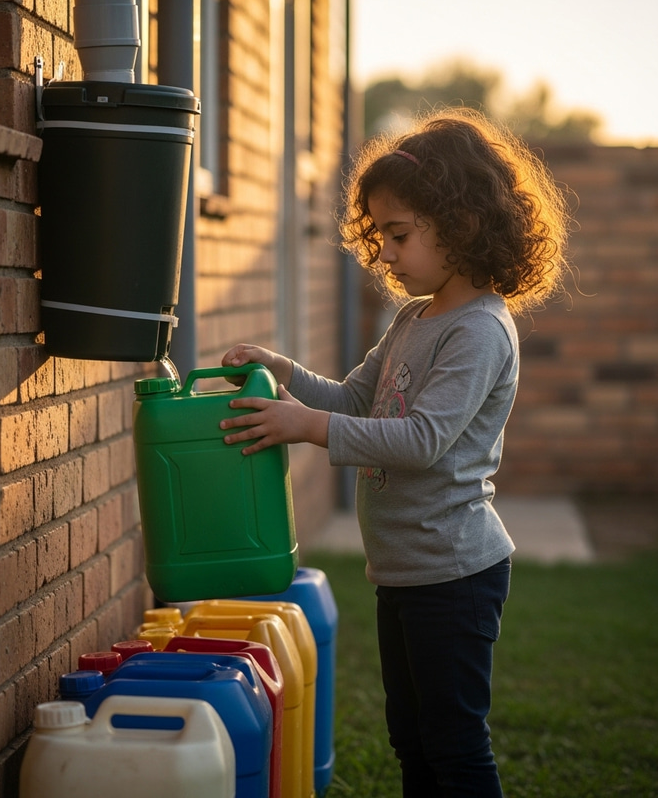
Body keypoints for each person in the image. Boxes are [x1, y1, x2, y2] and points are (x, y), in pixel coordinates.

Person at [219, 106, 571, 797]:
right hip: (405, 572)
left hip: (455, 574)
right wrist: (286, 370)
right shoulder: (414, 317)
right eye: (378, 235)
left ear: (463, 223)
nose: (383, 253)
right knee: (411, 739)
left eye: (399, 235)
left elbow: (421, 441)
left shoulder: (480, 331)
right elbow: (354, 402)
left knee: (455, 743)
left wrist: (304, 428)